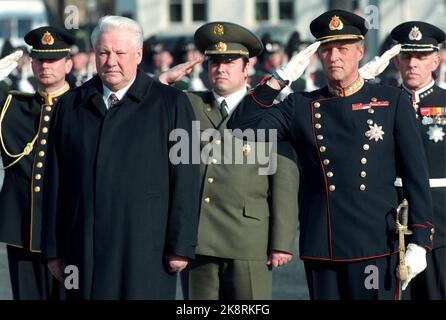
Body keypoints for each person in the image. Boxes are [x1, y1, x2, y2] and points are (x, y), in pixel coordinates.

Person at [227, 9, 434, 300]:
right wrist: (279, 79)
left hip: (373, 243)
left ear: (360, 52)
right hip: (324, 244)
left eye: (343, 49)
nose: (334, 57)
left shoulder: (391, 101)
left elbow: (416, 174)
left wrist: (420, 239)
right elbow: (240, 127)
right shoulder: (301, 106)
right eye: (327, 49)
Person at [40, 15, 200, 300]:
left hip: (144, 248)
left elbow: (186, 178)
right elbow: (54, 181)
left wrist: (180, 245)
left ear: (138, 55)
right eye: (103, 52)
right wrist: (53, 248)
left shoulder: (172, 104)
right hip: (83, 249)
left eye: (120, 53)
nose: (110, 61)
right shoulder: (70, 105)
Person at [159, 21, 299, 300]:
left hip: (248, 239)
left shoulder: (270, 111)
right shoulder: (188, 105)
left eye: (230, 62)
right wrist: (163, 81)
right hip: (199, 238)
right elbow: (142, 110)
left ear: (247, 68)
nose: (220, 69)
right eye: (214, 62)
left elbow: (284, 178)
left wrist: (281, 242)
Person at [0, 26, 75, 299]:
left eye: (53, 60)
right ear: (31, 63)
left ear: (68, 64)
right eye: (40, 59)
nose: (46, 66)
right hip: (22, 228)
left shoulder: (84, 107)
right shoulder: (12, 107)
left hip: (69, 231)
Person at [391, 21, 446, 300]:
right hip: (391, 224)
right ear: (397, 60)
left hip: (442, 226)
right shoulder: (382, 104)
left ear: (436, 60)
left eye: (421, 56)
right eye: (407, 55)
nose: (413, 63)